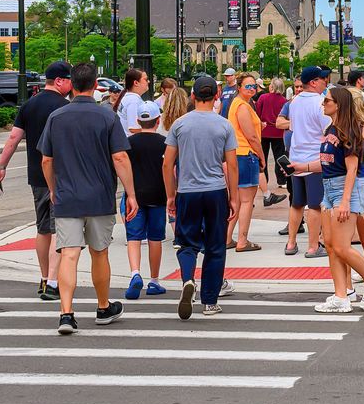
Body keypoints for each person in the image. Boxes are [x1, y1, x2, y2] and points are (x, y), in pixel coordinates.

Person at [39, 62, 135, 332]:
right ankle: (103, 307)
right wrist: (131, 193)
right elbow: (119, 157)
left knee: (69, 254)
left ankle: (66, 314)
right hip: (100, 196)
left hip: (68, 197)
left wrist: (53, 188)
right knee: (99, 252)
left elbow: (47, 160)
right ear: (95, 86)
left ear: (71, 83)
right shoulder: (106, 117)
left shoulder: (57, 117)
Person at [290, 86, 364, 313]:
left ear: (339, 104)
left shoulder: (348, 131)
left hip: (343, 190)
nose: (323, 104)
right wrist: (303, 167)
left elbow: (352, 167)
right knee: (331, 246)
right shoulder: (331, 129)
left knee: (342, 247)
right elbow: (327, 162)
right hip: (329, 189)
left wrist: (345, 201)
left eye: (327, 101)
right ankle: (341, 296)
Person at [0, 61, 75, 301]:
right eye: (69, 80)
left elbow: (13, 138)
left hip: (36, 176)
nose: (72, 85)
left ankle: (43, 278)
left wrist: (2, 166)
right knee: (59, 228)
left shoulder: (29, 105)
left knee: (42, 229)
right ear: (59, 81)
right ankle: (53, 281)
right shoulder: (64, 107)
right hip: (60, 176)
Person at [167, 76, 240, 319]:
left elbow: (167, 163)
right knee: (215, 246)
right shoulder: (224, 125)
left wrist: (171, 194)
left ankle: (188, 279)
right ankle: (210, 301)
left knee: (186, 242)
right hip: (216, 190)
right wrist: (234, 197)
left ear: (193, 96)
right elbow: (231, 164)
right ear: (216, 96)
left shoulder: (179, 124)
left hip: (188, 190)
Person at [123, 101, 171, 300]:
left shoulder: (129, 143)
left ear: (138, 121)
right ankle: (154, 280)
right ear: (157, 120)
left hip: (135, 196)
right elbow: (170, 169)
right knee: (155, 238)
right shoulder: (164, 143)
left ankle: (135, 273)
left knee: (133, 238)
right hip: (158, 196)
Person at [283, 66, 332, 258]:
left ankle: (291, 242)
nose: (325, 82)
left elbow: (293, 127)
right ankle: (313, 246)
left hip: (296, 156)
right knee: (314, 205)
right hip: (314, 159)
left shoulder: (294, 101)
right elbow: (327, 129)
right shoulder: (320, 103)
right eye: (322, 79)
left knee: (296, 203)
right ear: (313, 82)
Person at [225, 73, 264, 252]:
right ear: (239, 87)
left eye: (253, 86)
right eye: (247, 86)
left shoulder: (239, 104)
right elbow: (251, 136)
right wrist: (261, 156)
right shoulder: (242, 106)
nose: (252, 89)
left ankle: (227, 237)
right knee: (247, 200)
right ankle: (242, 240)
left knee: (238, 200)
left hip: (237, 154)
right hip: (246, 154)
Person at [256, 77, 289, 206]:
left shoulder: (263, 98)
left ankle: (264, 180)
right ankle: (282, 180)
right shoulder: (284, 101)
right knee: (280, 156)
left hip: (264, 131)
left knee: (262, 156)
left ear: (272, 87)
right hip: (278, 132)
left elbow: (257, 113)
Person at [117, 67, 149, 135]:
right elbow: (133, 128)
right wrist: (152, 131)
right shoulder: (133, 101)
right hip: (131, 143)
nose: (148, 81)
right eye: (146, 79)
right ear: (136, 83)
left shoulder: (129, 98)